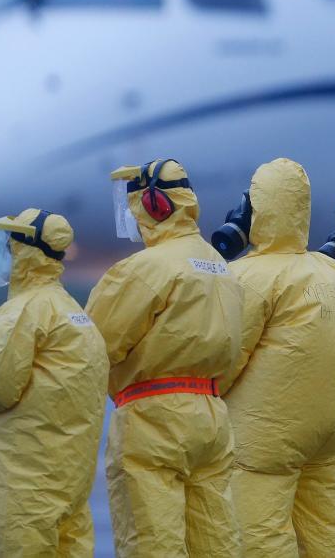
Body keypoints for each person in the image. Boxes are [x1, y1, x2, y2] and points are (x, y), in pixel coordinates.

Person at [87, 159, 244, 558]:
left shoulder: (143, 269)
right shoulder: (220, 267)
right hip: (210, 415)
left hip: (153, 419)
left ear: (154, 204)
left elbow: (93, 348)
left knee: (152, 543)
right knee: (216, 541)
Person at [219, 158, 335, 558]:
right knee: (329, 532)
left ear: (258, 209)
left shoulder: (245, 277)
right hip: (330, 430)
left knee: (261, 534)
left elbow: (227, 358)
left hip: (265, 435)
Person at [0, 208, 108, 557]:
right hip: (68, 473)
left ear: (25, 250)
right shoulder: (72, 310)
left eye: (10, 244)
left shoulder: (22, 312)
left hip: (25, 474)